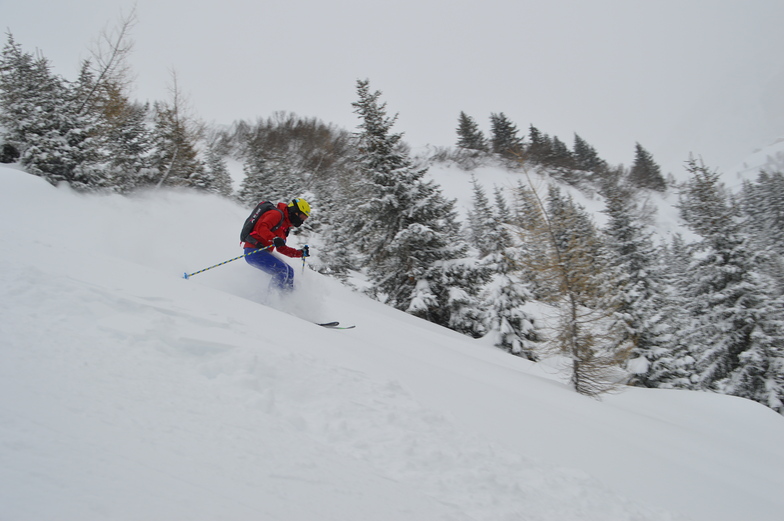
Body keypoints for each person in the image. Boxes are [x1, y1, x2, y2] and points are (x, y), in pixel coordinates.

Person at [242, 198, 311, 291]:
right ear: (295, 211)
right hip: (254, 250)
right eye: (302, 217)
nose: (302, 221)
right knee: (282, 270)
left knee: (289, 271)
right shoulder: (276, 214)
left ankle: (287, 299)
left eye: (305, 219)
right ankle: (273, 300)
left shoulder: (285, 226)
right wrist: (273, 238)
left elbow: (281, 248)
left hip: (264, 252)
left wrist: (300, 253)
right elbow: (261, 227)